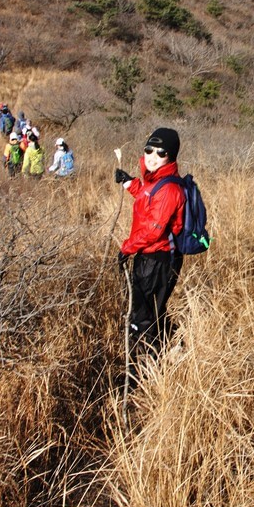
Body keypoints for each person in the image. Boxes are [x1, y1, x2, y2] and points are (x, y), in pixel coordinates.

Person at [114, 128, 185, 358]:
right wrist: (128, 183)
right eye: (148, 150)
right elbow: (146, 196)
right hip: (152, 256)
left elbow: (154, 230)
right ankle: (165, 349)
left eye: (161, 152)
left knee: (142, 311)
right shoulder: (156, 182)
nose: (152, 156)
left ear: (171, 156)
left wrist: (127, 247)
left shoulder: (169, 188)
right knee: (153, 309)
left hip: (158, 258)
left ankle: (145, 361)